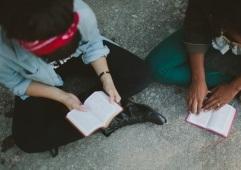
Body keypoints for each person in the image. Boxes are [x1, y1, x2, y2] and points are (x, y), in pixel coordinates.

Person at [0, 0, 166, 156]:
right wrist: (62, 97)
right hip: (38, 78)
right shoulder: (3, 51)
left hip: (80, 58)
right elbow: (18, 83)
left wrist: (106, 78)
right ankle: (109, 114)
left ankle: (90, 115)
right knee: (28, 141)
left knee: (140, 75)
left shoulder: (78, 11)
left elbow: (93, 45)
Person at [146, 0, 241, 137]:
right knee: (155, 68)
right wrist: (198, 79)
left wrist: (234, 87)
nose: (237, 47)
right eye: (231, 38)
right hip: (213, 30)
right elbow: (195, 26)